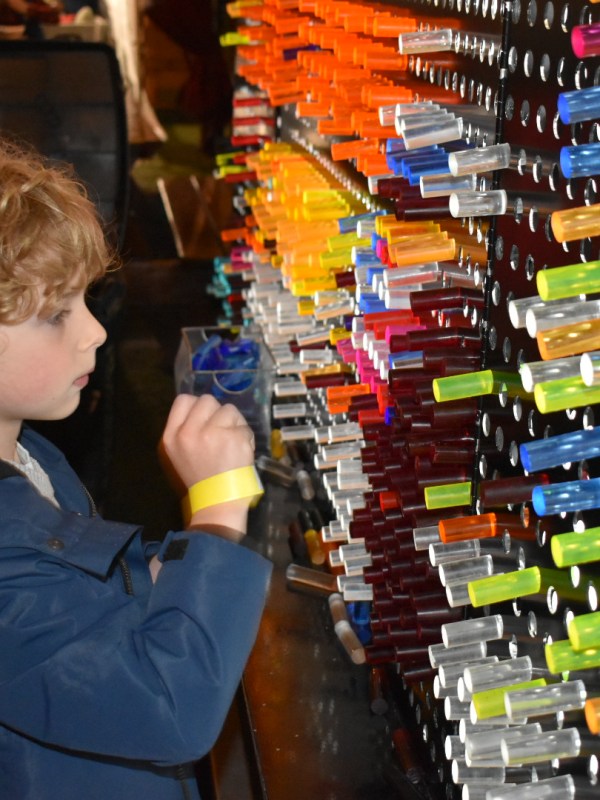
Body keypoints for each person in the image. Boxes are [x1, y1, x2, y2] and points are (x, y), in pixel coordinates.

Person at [0, 136, 272, 799]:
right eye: (57, 314)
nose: (94, 332)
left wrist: (168, 569)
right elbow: (168, 708)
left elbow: (82, 604)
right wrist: (217, 510)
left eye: (85, 301)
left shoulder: (31, 457)